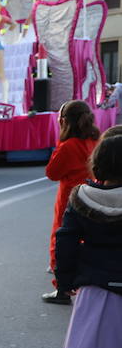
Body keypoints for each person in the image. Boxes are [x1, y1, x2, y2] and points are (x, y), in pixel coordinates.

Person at [57, 134, 122, 348]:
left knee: (97, 342)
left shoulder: (82, 197)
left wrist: (66, 279)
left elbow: (66, 239)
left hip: (94, 281)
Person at [43, 101, 102, 305]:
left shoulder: (68, 146)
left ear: (65, 122)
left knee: (61, 240)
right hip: (94, 195)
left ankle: (62, 288)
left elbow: (52, 172)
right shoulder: (96, 140)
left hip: (70, 198)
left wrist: (59, 145)